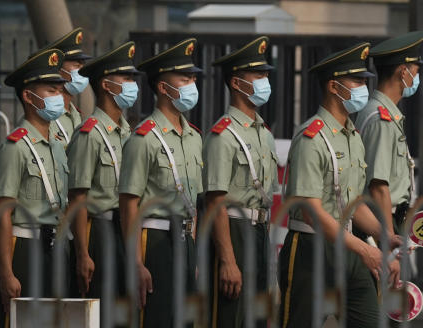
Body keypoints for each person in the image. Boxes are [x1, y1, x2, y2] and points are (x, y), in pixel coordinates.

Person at [279, 42, 400, 328]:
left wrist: (384, 236)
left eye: (364, 81)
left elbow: (353, 202)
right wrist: (365, 249)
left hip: (347, 247)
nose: (363, 88)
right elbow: (311, 212)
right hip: (311, 248)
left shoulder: (353, 136)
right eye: (356, 81)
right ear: (334, 87)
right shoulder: (311, 138)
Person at [120, 38, 204, 326]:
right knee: (155, 318)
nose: (192, 83)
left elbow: (194, 202)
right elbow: (129, 203)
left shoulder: (194, 137)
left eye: (193, 77)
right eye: (184, 78)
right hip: (154, 240)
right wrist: (135, 262)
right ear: (163, 87)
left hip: (186, 239)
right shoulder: (143, 138)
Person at [203, 36, 279, 328]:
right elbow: (214, 202)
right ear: (236, 83)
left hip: (259, 230)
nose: (265, 81)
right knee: (230, 316)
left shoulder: (263, 132)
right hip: (233, 231)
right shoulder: (223, 135)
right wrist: (227, 260)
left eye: (266, 75)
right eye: (258, 75)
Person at [0, 48, 70, 327]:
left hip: (56, 247)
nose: (58, 97)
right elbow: (2, 214)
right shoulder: (15, 148)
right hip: (24, 248)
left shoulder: (58, 147)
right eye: (51, 90)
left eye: (59, 90)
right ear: (28, 96)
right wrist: (6, 273)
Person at [66, 42, 140, 299]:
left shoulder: (129, 132)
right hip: (99, 231)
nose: (132, 84)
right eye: (126, 78)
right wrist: (82, 253)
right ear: (107, 86)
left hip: (126, 229)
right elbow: (77, 198)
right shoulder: (90, 134)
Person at [357, 31, 423, 237]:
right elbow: (378, 187)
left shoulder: (382, 113)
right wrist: (388, 240)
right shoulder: (381, 119)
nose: (417, 76)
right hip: (380, 222)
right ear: (403, 72)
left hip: (387, 220)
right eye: (415, 70)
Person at [46, 28, 92, 148]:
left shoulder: (75, 114)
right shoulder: (46, 115)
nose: (81, 70)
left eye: (83, 65)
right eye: (77, 65)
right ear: (59, 70)